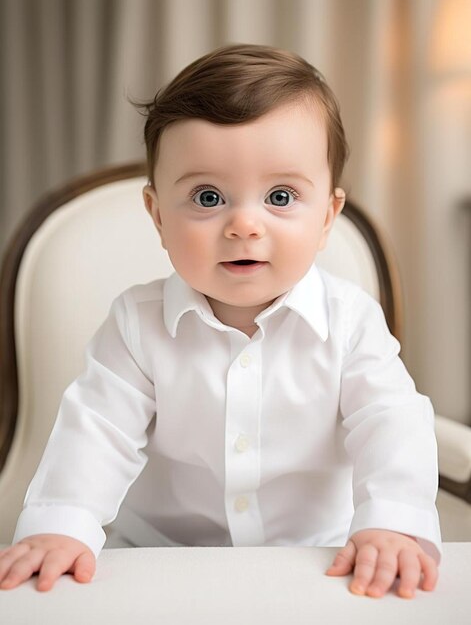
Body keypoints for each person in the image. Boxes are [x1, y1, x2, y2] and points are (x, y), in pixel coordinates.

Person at [0, 44, 441, 598]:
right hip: (157, 558)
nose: (244, 225)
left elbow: (390, 420)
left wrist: (392, 521)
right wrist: (61, 527)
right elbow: (97, 431)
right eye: (208, 196)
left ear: (328, 216)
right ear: (159, 216)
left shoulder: (350, 321)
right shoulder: (138, 323)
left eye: (280, 196)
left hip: (318, 559)